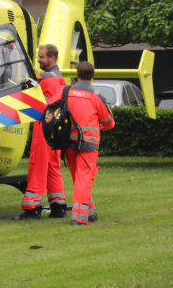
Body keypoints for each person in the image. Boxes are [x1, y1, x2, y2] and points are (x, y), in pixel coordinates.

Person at [50, 61, 115, 225]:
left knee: (79, 179)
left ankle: (91, 212)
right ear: (92, 77)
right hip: (88, 145)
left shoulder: (64, 91)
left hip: (68, 144)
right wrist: (100, 126)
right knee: (83, 179)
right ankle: (79, 217)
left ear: (77, 75)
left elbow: (49, 109)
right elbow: (109, 122)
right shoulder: (96, 96)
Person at [16, 44, 67, 220]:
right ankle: (58, 205)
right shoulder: (60, 79)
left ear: (52, 58)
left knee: (37, 163)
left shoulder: (44, 78)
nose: (38, 60)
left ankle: (32, 206)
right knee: (53, 166)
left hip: (42, 128)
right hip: (56, 129)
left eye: (42, 57)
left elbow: (22, 90)